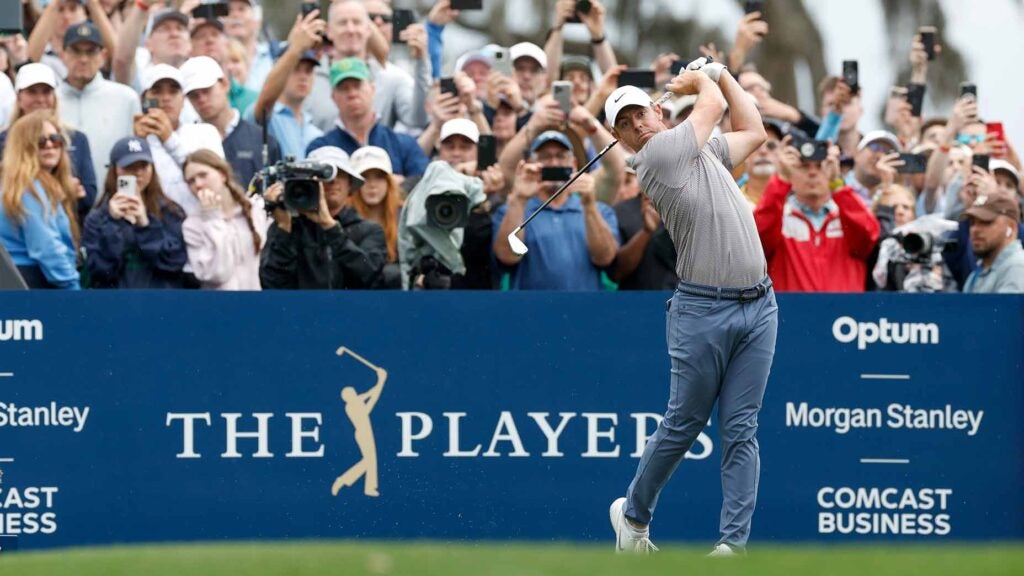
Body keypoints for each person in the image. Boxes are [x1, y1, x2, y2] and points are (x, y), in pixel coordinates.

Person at [603, 57, 774, 555]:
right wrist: (704, 78)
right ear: (624, 142)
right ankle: (632, 516)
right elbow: (715, 104)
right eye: (625, 125)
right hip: (701, 311)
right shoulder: (657, 159)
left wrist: (721, 72)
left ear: (658, 112)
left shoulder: (698, 151)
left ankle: (732, 548)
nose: (637, 125)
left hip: (759, 306)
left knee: (741, 428)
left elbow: (754, 129)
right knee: (683, 424)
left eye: (640, 114)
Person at [492, 131, 620, 291]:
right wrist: (519, 199)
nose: (553, 162)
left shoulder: (600, 210)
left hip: (584, 309)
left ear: (573, 164)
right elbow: (506, 257)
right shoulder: (511, 211)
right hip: (531, 311)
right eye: (545, 157)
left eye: (561, 156)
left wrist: (589, 205)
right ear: (531, 163)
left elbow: (605, 258)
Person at [755, 139, 880, 292]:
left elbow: (869, 237)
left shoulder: (847, 214)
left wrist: (837, 184)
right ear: (792, 170)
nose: (813, 172)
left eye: (820, 165)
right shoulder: (779, 217)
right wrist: (781, 179)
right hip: (790, 314)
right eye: (804, 166)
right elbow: (757, 243)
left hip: (845, 315)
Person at [259, 146, 387, 290]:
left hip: (351, 310)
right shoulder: (288, 227)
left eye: (340, 174)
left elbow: (370, 276)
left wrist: (330, 227)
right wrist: (283, 229)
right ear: (309, 182)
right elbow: (271, 284)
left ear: (350, 184)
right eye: (323, 175)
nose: (333, 181)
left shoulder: (369, 230)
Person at [82, 137, 188, 288]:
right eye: (129, 167)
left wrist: (146, 225)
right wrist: (112, 223)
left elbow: (174, 263)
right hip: (116, 303)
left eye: (143, 166)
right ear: (115, 170)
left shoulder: (170, 211)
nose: (138, 173)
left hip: (159, 302)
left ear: (152, 169)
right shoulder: (98, 217)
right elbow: (100, 271)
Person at [1, 63, 97, 223]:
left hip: (67, 228)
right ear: (19, 97)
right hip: (17, 227)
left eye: (46, 92)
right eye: (32, 92)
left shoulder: (76, 139)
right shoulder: (3, 140)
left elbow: (89, 196)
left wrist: (75, 193)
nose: (40, 99)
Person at [306, 58, 428, 181]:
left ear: (372, 89)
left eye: (357, 86)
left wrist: (399, 188)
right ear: (333, 97)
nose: (352, 93)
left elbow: (424, 181)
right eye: (344, 88)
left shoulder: (403, 145)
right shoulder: (321, 150)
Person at [0, 110, 80, 289]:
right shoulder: (30, 188)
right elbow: (47, 249)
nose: (50, 145)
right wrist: (74, 290)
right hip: (30, 282)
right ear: (24, 147)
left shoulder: (21, 184)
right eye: (41, 141)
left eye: (55, 139)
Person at [58, 21, 142, 189]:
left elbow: (134, 156)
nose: (83, 59)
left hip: (112, 201)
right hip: (58, 202)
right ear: (63, 55)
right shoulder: (51, 98)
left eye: (91, 52)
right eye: (76, 51)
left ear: (103, 56)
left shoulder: (125, 97)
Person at [136, 64, 225, 216]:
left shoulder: (205, 132)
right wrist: (138, 145)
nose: (165, 98)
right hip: (157, 230)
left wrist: (169, 139)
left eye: (173, 91)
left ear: (183, 100)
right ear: (144, 100)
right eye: (157, 92)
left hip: (204, 226)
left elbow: (215, 181)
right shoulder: (138, 141)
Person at [181, 55, 281, 190]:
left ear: (225, 84)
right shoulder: (184, 142)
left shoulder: (263, 140)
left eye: (206, 90)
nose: (202, 99)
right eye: (194, 95)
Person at [181, 149, 268, 290]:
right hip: (219, 306)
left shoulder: (254, 210)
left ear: (222, 174)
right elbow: (217, 274)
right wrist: (212, 218)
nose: (198, 184)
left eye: (203, 175)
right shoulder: (192, 225)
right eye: (191, 181)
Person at [247, 11, 326, 161]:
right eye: (296, 69)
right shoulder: (270, 116)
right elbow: (265, 102)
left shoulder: (315, 132)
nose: (303, 76)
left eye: (309, 71)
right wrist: (295, 49)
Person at [610, 167, 678, 291]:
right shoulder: (620, 211)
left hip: (682, 304)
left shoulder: (690, 209)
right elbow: (616, 273)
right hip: (636, 304)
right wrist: (646, 232)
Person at [350, 146, 403, 288]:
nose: (372, 185)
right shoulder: (345, 220)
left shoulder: (404, 218)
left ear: (389, 182)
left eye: (379, 177)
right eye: (364, 177)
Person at [962, 191, 1024, 293]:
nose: (975, 229)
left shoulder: (1017, 267)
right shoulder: (975, 274)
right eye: (972, 223)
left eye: (986, 222)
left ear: (1011, 227)